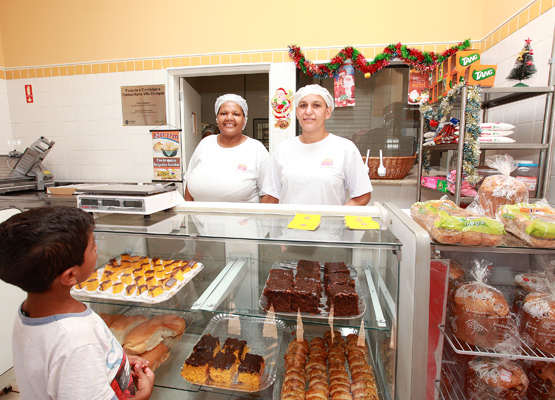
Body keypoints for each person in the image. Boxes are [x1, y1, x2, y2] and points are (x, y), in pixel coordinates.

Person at [0, 206, 154, 400]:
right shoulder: (75, 342)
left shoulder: (30, 311)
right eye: (92, 247)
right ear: (71, 275)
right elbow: (75, 361)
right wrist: (143, 395)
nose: (97, 248)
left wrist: (115, 363)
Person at [262, 84, 372, 206]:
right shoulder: (283, 149)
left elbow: (362, 195)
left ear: (328, 112)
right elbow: (270, 197)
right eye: (303, 105)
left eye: (316, 105)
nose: (308, 111)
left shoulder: (345, 148)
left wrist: (336, 218)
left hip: (329, 225)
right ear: (297, 113)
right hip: (289, 225)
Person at [185, 94, 270, 203]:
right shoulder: (205, 143)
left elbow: (268, 194)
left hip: (244, 220)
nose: (229, 118)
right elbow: (189, 182)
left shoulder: (256, 149)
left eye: (236, 114)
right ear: (217, 118)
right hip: (198, 220)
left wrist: (261, 219)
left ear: (244, 120)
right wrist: (187, 217)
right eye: (223, 113)